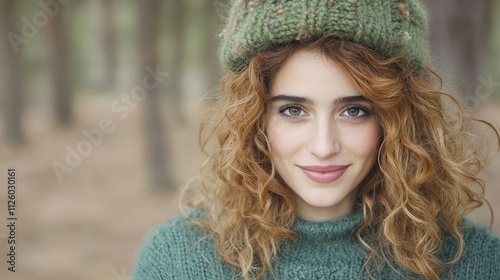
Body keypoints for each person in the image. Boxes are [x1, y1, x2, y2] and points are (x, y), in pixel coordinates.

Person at [133, 0, 500, 279]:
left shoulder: (475, 262)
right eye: (293, 110)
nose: (324, 147)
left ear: (398, 121)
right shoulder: (176, 262)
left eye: (354, 111)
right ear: (253, 119)